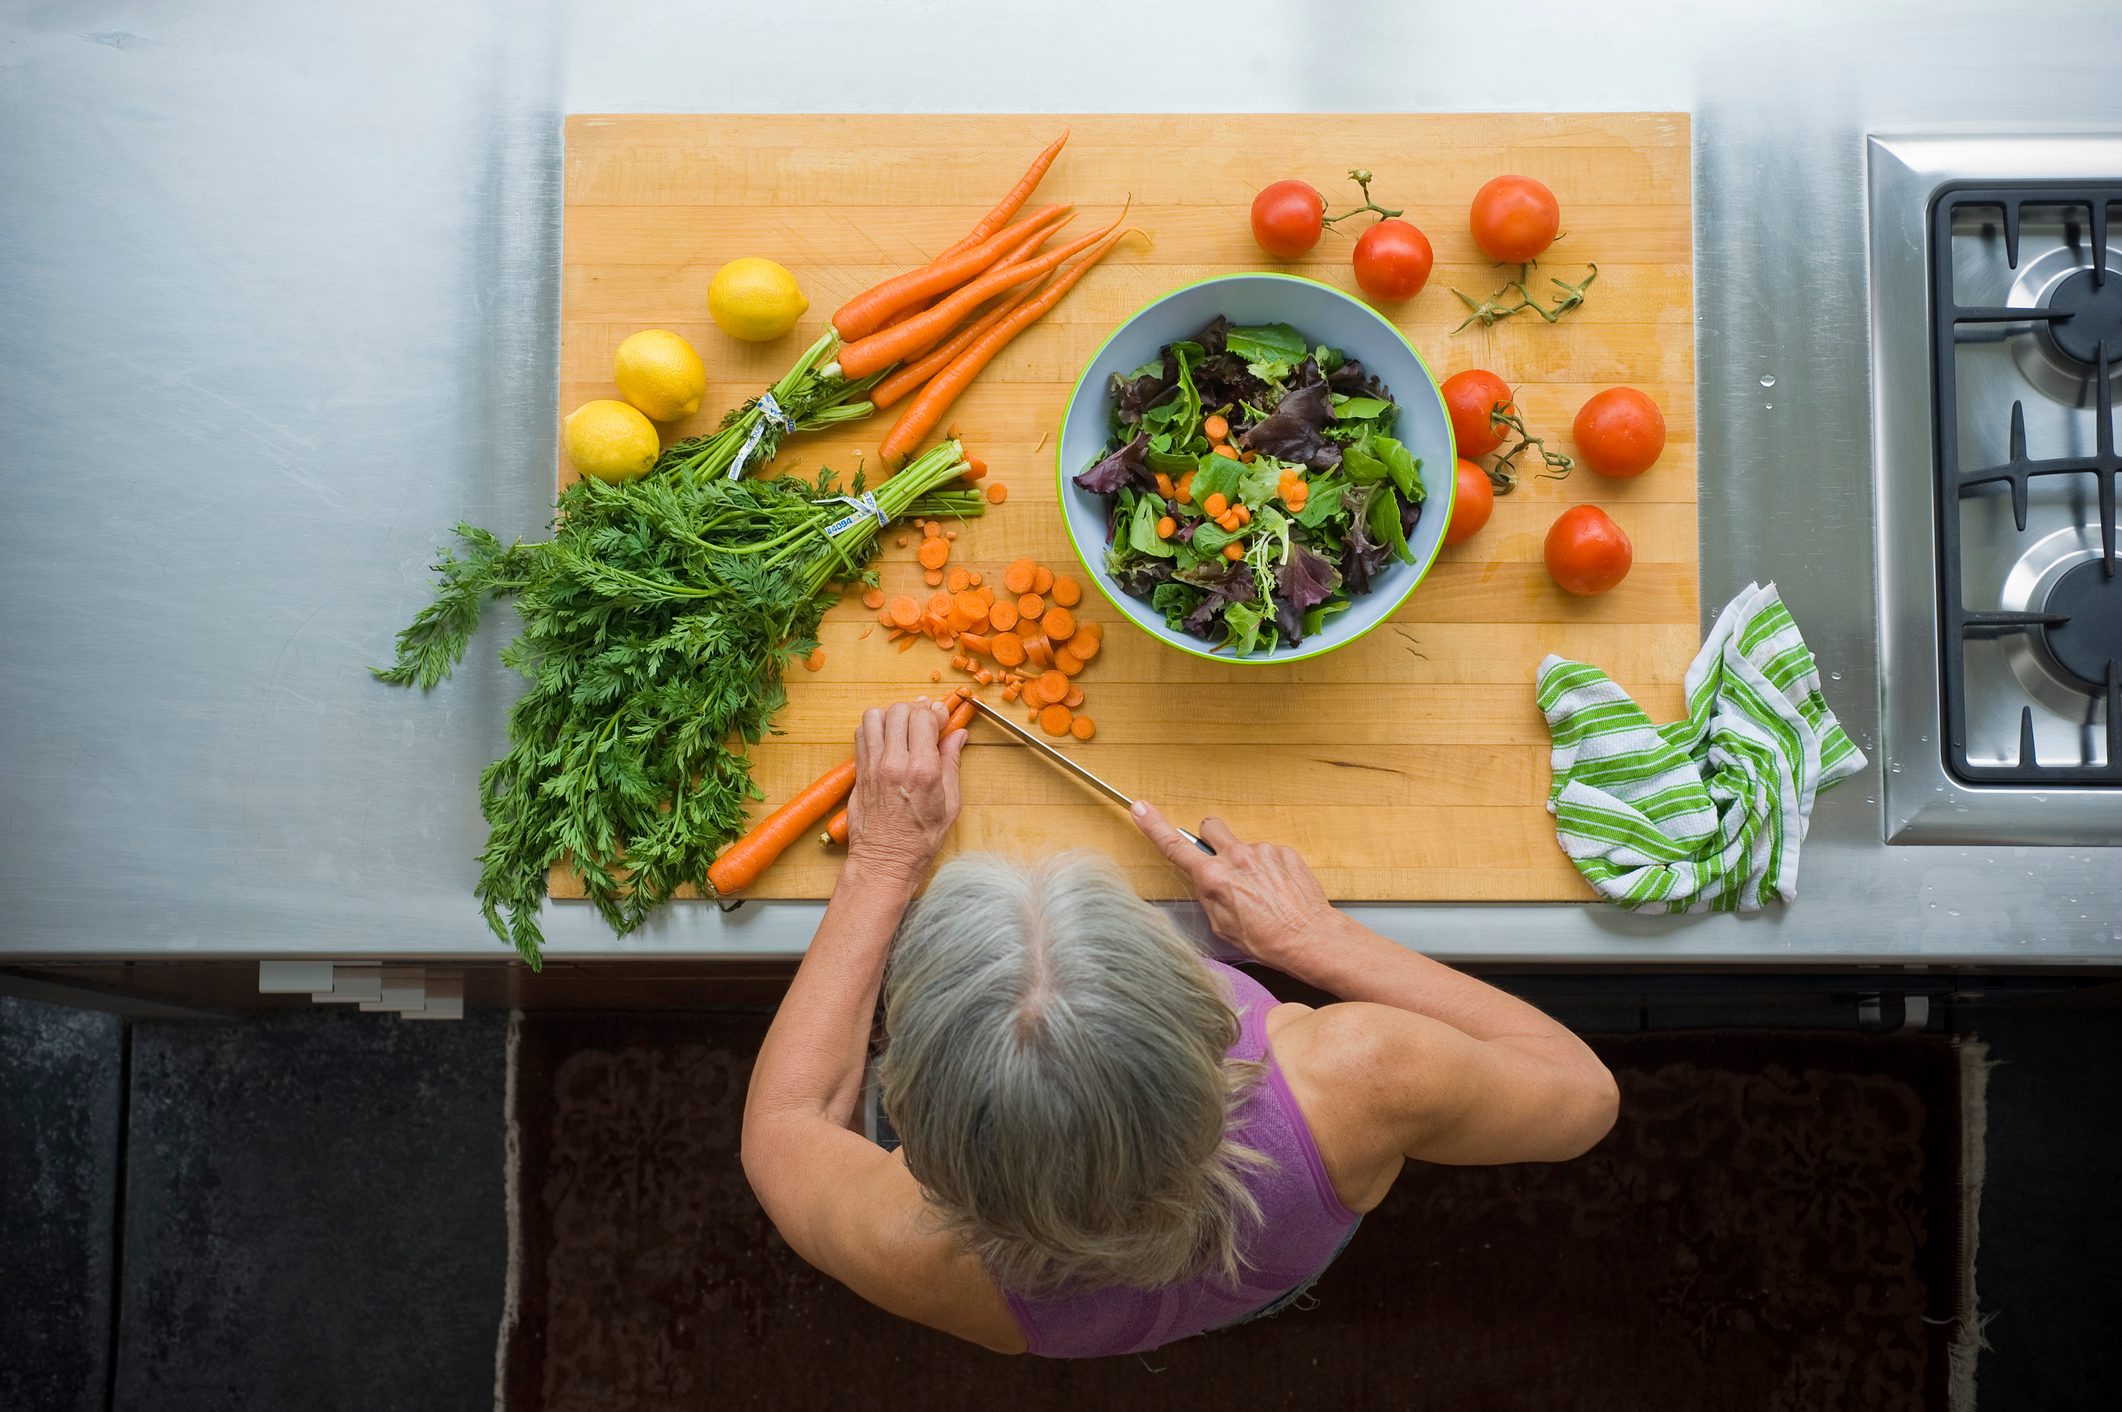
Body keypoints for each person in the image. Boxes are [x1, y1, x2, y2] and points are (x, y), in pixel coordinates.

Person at [741, 699, 1619, 1358]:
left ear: (914, 1111)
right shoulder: (1365, 1074)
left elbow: (785, 1123)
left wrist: (882, 866)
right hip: (1271, 1263)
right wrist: (1316, 939)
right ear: (1200, 1012)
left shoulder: (907, 1245)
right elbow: (1582, 1093)